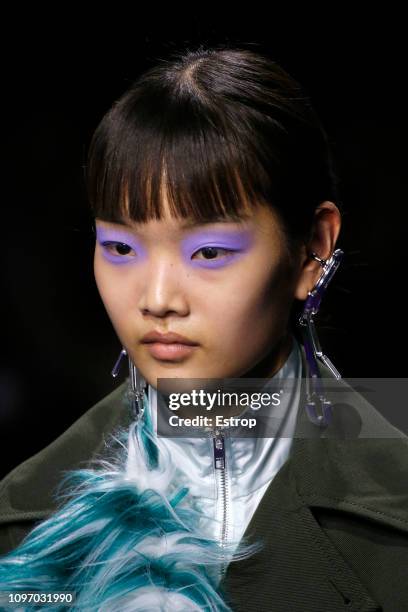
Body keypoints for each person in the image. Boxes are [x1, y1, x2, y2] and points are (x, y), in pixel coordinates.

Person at [0, 45, 407, 611]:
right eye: (119, 247)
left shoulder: (393, 510)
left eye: (210, 252)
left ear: (313, 248)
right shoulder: (26, 524)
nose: (158, 299)